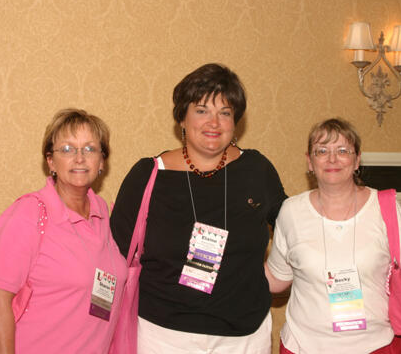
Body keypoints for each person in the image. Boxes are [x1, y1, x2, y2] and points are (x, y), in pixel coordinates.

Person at [110, 63, 287, 354]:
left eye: (225, 112)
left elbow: (293, 227)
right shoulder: (149, 175)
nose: (213, 123)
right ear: (182, 117)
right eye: (202, 110)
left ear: (235, 122)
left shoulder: (256, 169)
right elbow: (113, 253)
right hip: (163, 335)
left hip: (244, 337)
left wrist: (282, 274)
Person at [265, 118, 401, 354]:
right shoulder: (291, 211)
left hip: (376, 346)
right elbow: (277, 278)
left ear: (357, 159)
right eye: (322, 151)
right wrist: (234, 258)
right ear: (310, 162)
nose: (332, 159)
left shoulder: (385, 208)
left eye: (343, 150)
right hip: (303, 346)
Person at [0, 109, 127, 353]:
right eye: (67, 149)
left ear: (102, 162)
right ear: (50, 162)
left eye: (90, 149)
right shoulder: (29, 213)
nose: (79, 158)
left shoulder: (102, 212)